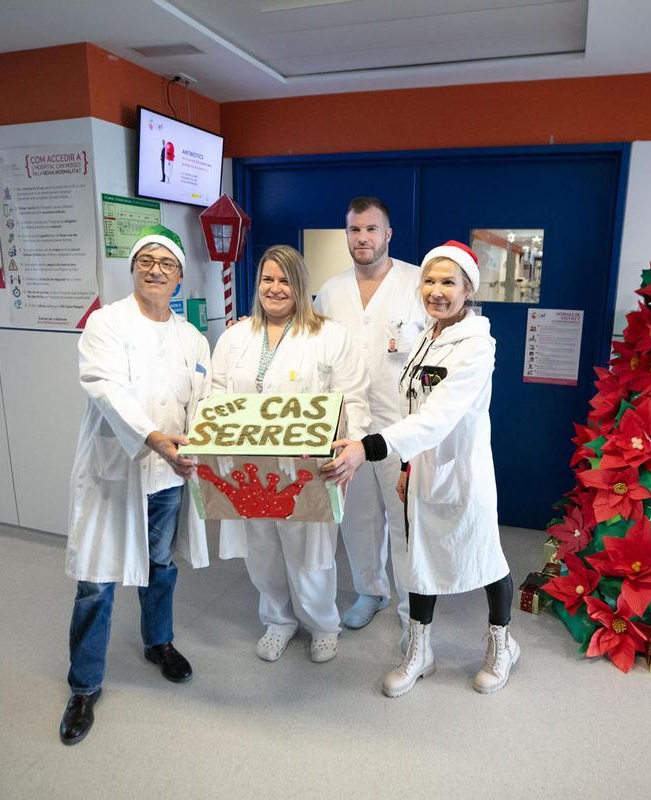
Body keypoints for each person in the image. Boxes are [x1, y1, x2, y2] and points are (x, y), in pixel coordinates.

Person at [323, 240, 519, 697]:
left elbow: (436, 417)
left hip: (461, 470)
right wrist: (402, 459)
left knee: (485, 556)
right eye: (429, 280)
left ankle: (502, 643)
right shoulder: (429, 334)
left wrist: (369, 447)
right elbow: (411, 402)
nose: (435, 290)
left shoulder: (474, 346)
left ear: (468, 289)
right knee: (419, 559)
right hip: (421, 466)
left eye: (448, 282)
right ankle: (420, 650)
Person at [59, 225, 212, 745]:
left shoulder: (192, 337)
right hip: (116, 468)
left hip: (168, 473)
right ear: (133, 269)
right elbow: (106, 389)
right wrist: (153, 438)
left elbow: (205, 403)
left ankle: (159, 643)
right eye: (145, 260)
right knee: (96, 580)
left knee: (161, 565)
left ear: (179, 276)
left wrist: (199, 445)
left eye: (165, 264)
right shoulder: (105, 324)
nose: (154, 270)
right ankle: (84, 686)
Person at [212, 244, 370, 663]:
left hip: (307, 465)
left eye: (284, 280)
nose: (275, 288)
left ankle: (322, 624)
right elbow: (215, 395)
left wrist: (352, 447)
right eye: (267, 279)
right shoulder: (235, 337)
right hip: (251, 467)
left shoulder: (330, 335)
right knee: (262, 548)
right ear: (257, 284)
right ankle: (278, 620)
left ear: (300, 285)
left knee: (310, 551)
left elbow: (353, 396)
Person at [313, 197, 429, 641]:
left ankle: (411, 613)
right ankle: (371, 590)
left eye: (371, 229)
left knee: (402, 521)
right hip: (348, 426)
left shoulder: (417, 282)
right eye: (354, 230)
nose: (362, 238)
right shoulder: (331, 289)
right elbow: (313, 346)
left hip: (400, 425)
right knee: (357, 518)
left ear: (388, 234)